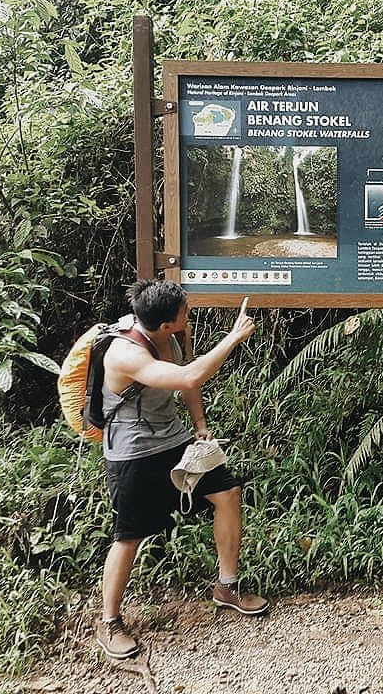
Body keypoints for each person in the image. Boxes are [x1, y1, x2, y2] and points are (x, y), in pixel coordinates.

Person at [95, 279, 266, 660]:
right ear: (167, 323)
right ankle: (109, 622)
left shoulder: (167, 334)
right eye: (184, 312)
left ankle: (227, 586)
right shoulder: (126, 353)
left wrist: (200, 423)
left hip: (175, 441)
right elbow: (189, 376)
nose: (189, 314)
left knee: (227, 493)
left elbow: (188, 374)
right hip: (133, 452)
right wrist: (233, 338)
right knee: (129, 535)